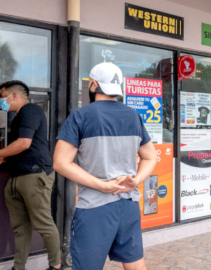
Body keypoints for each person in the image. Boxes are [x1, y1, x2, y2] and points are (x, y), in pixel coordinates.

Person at [53, 62, 157, 270]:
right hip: (128, 204)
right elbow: (150, 157)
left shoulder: (81, 116)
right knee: (135, 263)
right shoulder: (133, 116)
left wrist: (102, 186)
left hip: (95, 207)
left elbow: (60, 163)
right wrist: (135, 180)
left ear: (93, 84)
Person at [0, 81, 62, 270]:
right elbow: (24, 149)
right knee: (20, 227)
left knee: (43, 223)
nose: (2, 101)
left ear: (14, 96)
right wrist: (2, 160)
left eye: (3, 97)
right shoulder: (18, 117)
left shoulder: (30, 110)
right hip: (17, 176)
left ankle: (56, 266)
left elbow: (24, 143)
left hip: (34, 174)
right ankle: (19, 266)